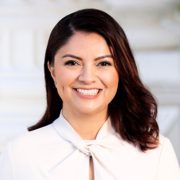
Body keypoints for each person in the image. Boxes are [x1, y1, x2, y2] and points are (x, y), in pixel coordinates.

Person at [0, 8, 179, 180]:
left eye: (103, 64)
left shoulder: (156, 152)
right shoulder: (19, 155)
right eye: (72, 63)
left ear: (121, 70)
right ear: (52, 70)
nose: (87, 78)